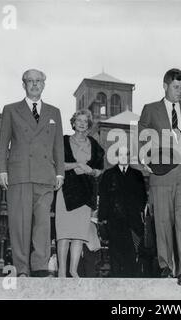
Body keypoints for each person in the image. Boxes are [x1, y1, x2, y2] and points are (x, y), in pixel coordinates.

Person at [138, 68, 181, 291]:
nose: (179, 92)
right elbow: (142, 136)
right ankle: (165, 266)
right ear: (165, 85)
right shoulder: (151, 109)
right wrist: (145, 157)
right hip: (162, 172)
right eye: (176, 87)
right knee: (163, 222)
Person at [0, 69, 65, 277]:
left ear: (44, 84)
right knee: (19, 224)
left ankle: (40, 267)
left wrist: (60, 172)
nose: (34, 84)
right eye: (30, 81)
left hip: (45, 176)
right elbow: (3, 143)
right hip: (20, 174)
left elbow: (58, 146)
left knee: (43, 225)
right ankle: (21, 269)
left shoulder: (54, 112)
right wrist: (1, 170)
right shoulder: (10, 110)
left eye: (39, 81)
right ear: (23, 84)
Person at [55, 109, 104, 277]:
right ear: (73, 123)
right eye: (79, 120)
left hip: (85, 192)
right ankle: (62, 272)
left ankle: (73, 270)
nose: (82, 123)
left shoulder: (95, 144)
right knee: (64, 234)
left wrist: (90, 171)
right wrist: (77, 165)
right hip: (67, 192)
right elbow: (57, 164)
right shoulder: (63, 141)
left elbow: (99, 171)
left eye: (85, 121)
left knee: (79, 235)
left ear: (88, 125)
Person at [98, 147, 147, 277]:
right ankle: (116, 280)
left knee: (131, 251)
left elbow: (143, 197)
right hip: (114, 220)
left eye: (126, 154)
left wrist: (138, 212)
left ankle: (130, 282)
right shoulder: (108, 174)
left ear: (130, 156)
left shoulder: (137, 175)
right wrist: (102, 218)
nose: (124, 157)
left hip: (132, 221)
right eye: (121, 154)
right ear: (117, 156)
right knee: (115, 252)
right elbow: (104, 197)